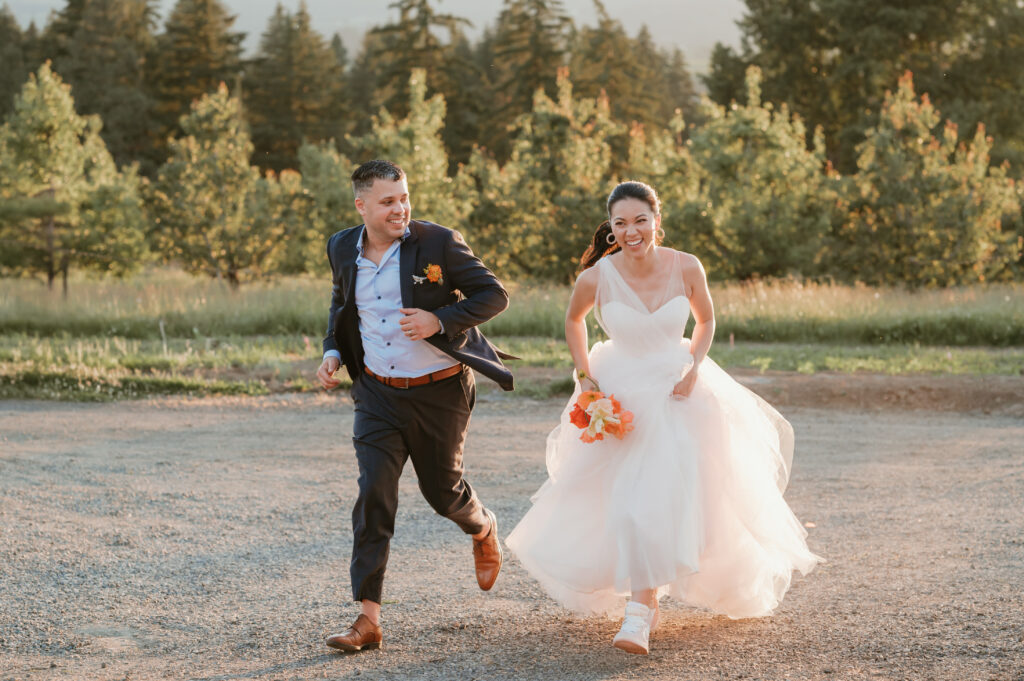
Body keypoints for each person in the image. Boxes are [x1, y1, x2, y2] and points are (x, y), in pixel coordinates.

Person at [506, 181, 822, 655]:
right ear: (610, 228)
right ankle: (643, 606)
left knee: (667, 498)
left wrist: (694, 366)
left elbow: (706, 321)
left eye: (639, 220)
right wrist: (585, 376)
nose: (631, 231)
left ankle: (640, 611)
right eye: (620, 223)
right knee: (631, 501)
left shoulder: (687, 265)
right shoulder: (597, 276)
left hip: (678, 393)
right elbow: (573, 321)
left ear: (656, 218)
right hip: (622, 392)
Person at [316, 159, 514, 652]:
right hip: (377, 393)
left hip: (440, 390)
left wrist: (438, 320)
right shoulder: (342, 246)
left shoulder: (438, 242)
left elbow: (494, 295)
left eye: (404, 197)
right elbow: (343, 303)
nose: (400, 208)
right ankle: (368, 619)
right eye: (388, 201)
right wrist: (333, 352)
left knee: (442, 491)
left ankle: (483, 526)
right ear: (361, 205)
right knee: (374, 495)